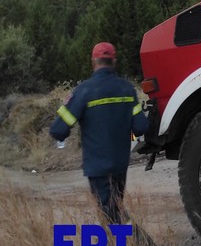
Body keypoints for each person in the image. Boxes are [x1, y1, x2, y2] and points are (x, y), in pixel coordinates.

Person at [50, 42, 149, 224]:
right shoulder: (127, 89)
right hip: (120, 164)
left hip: (97, 167)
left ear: (93, 61)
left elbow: (58, 129)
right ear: (114, 61)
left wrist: (62, 134)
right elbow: (141, 127)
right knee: (115, 208)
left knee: (108, 213)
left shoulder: (84, 91)